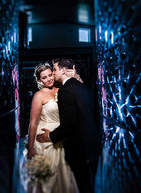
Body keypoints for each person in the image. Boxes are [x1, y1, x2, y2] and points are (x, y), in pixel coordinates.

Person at [36, 58, 101, 193]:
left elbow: (69, 125)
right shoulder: (82, 86)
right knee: (89, 186)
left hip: (80, 148)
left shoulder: (65, 91)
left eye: (54, 70)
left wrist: (51, 136)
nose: (53, 74)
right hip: (92, 146)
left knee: (83, 186)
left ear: (64, 70)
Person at [25, 62, 80, 193]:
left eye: (50, 75)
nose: (49, 79)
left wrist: (76, 76)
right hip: (45, 139)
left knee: (63, 172)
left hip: (61, 135)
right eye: (44, 77)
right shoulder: (39, 96)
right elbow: (33, 122)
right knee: (48, 176)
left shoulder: (62, 89)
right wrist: (31, 147)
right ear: (39, 80)